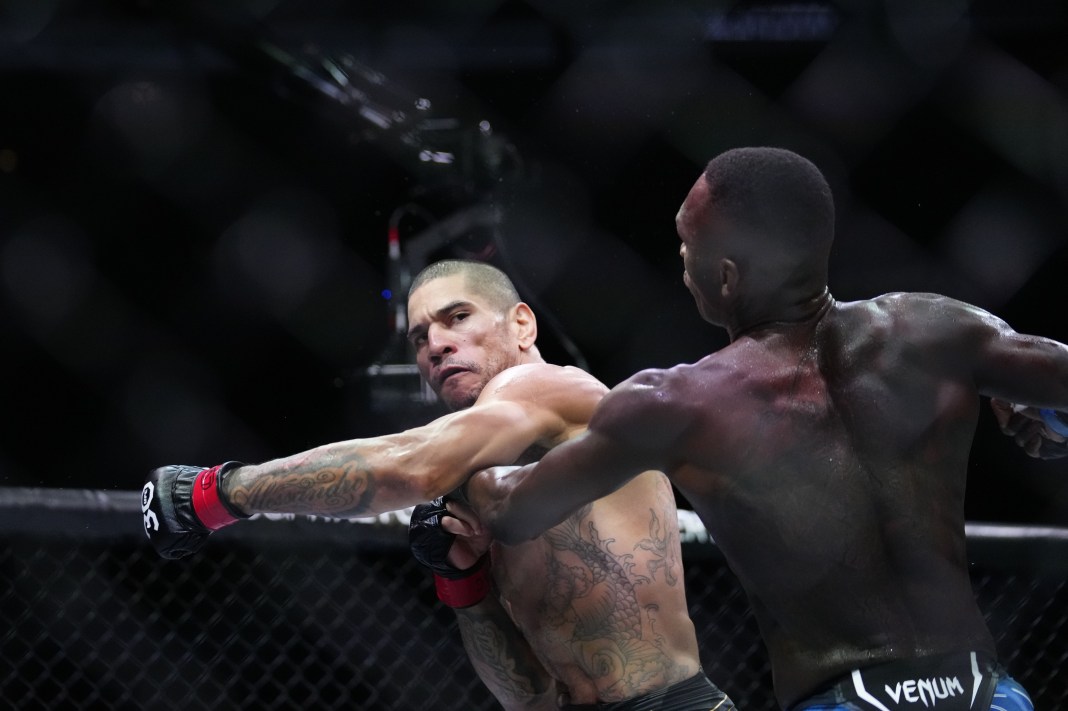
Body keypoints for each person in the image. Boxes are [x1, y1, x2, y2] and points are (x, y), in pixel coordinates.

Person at [464, 147, 1061, 711]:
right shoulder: (938, 330)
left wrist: (475, 473)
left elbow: (514, 509)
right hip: (987, 692)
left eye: (685, 242)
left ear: (725, 276)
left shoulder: (680, 402)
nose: (679, 258)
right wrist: (1053, 418)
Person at [142, 259, 736, 710]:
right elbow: (529, 697)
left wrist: (219, 493)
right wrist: (464, 582)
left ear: (521, 324)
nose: (437, 345)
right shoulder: (491, 482)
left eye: (457, 318)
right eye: (420, 337)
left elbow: (409, 466)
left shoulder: (550, 387)